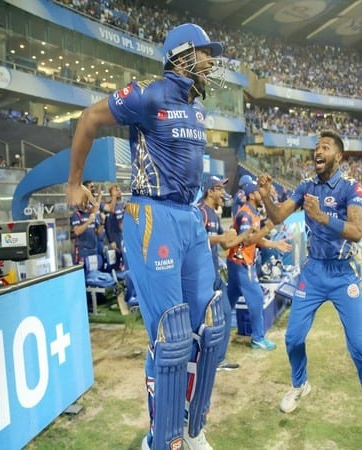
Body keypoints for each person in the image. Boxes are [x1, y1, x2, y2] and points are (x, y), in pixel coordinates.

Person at [66, 23, 227, 450]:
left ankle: (191, 429)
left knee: (208, 329)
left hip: (190, 217)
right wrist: (74, 183)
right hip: (152, 215)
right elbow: (89, 118)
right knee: (171, 337)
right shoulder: (147, 95)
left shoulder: (197, 109)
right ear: (182, 55)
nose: (211, 63)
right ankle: (161, 439)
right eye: (205, 54)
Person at [257, 130, 362, 450]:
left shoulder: (352, 188)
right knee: (293, 338)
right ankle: (300, 385)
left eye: (325, 147)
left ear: (339, 156)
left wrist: (321, 217)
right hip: (313, 273)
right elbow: (277, 216)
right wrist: (266, 196)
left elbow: (356, 232)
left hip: (343, 275)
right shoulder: (306, 186)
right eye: (316, 147)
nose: (318, 151)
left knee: (360, 346)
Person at [226, 180, 291, 351]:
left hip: (238, 262)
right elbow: (247, 240)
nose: (263, 195)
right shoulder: (245, 214)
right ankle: (257, 338)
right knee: (256, 297)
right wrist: (267, 227)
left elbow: (256, 240)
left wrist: (275, 244)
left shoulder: (253, 213)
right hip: (242, 263)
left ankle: (220, 332)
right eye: (259, 192)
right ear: (252, 195)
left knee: (229, 300)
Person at [197, 176, 247, 371]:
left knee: (225, 313)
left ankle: (218, 359)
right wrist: (220, 237)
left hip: (215, 274)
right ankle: (201, 359)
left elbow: (226, 244)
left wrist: (245, 234)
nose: (223, 194)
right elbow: (195, 241)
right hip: (201, 276)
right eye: (219, 189)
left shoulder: (213, 214)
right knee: (201, 319)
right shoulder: (200, 212)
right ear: (210, 191)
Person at [102, 183, 125, 271]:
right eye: (116, 190)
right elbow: (107, 225)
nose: (119, 191)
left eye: (119, 190)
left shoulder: (122, 206)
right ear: (111, 193)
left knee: (123, 262)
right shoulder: (108, 206)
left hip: (121, 238)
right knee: (114, 264)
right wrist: (111, 241)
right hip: (113, 239)